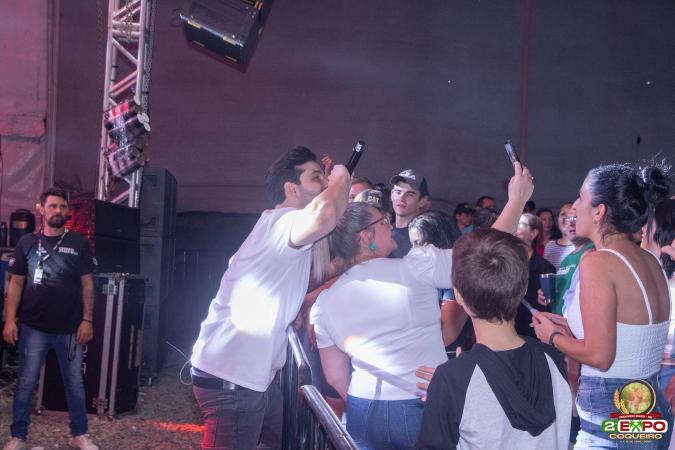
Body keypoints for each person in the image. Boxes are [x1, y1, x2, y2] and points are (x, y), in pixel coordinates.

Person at [311, 163, 534, 450]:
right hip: (420, 401)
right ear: (365, 237)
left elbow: (335, 376)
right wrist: (517, 200)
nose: (390, 224)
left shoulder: (324, 302)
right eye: (382, 221)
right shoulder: (417, 266)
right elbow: (482, 254)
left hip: (362, 410)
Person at [189, 147, 350, 450]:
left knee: (284, 440)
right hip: (234, 380)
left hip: (250, 378)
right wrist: (342, 178)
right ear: (292, 189)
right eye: (316, 177)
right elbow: (326, 215)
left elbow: (296, 278)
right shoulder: (284, 222)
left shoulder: (278, 229)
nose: (324, 184)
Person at [532, 161, 672, 449]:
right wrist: (569, 331)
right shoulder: (649, 260)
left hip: (614, 406)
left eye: (581, 197)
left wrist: (553, 336)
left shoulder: (599, 262)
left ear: (599, 211)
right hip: (645, 403)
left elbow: (600, 356)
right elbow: (629, 336)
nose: (574, 206)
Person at [417, 229, 573, 450]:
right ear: (523, 288)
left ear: (458, 294)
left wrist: (452, 385)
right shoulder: (553, 358)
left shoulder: (453, 378)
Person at [2, 188, 98, 450]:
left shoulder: (79, 243)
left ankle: (80, 434)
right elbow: (15, 284)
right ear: (41, 209)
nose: (58, 211)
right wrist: (9, 320)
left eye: (63, 207)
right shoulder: (27, 243)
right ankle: (18, 437)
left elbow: (87, 285)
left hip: (70, 328)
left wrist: (87, 320)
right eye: (53, 206)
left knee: (75, 384)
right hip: (33, 327)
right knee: (25, 383)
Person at [640, 199, 675, 411]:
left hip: (669, 374)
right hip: (649, 374)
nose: (642, 229)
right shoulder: (652, 272)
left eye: (649, 223)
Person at [514, 213, 556, 337]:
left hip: (530, 330)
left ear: (534, 233)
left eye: (521, 225)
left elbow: (547, 306)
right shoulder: (504, 262)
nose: (515, 229)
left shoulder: (545, 268)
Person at [389, 169, 431, 258]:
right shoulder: (384, 229)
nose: (401, 198)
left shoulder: (422, 239)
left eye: (410, 194)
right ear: (392, 194)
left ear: (422, 201)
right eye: (398, 192)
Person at [544, 202, 576, 270]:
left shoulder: (581, 247)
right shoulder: (550, 245)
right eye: (563, 214)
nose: (566, 218)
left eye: (571, 215)